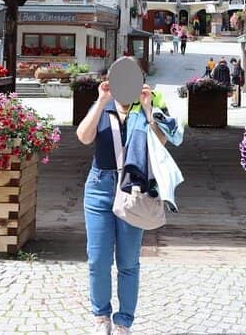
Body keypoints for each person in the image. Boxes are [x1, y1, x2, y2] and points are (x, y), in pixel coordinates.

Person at [76, 77, 182, 333]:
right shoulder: (103, 105)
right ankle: (101, 317)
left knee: (128, 262)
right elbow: (83, 136)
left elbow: (162, 142)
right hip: (99, 185)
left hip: (132, 188)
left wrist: (147, 109)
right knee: (98, 259)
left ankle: (124, 322)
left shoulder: (150, 108)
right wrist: (102, 100)